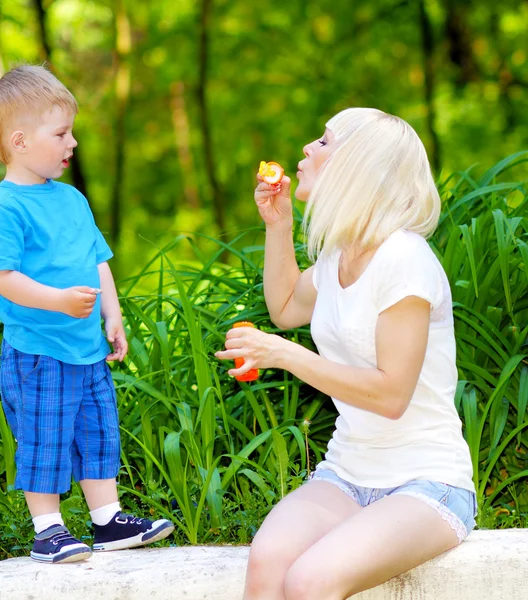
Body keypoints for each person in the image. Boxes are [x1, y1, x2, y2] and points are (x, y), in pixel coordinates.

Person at [215, 107, 476, 600]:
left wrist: (286, 356)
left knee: (310, 580)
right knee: (268, 561)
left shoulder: (402, 259)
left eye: (325, 141)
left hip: (427, 483)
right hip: (348, 474)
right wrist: (278, 224)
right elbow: (286, 306)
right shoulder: (340, 254)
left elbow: (391, 394)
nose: (309, 149)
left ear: (358, 167)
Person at [0, 65, 174, 564]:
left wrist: (113, 314)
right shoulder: (6, 210)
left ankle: (107, 519)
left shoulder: (71, 199)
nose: (74, 142)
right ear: (20, 141)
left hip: (86, 350)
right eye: (62, 133)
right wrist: (60, 301)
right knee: (44, 436)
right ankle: (48, 530)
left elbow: (97, 259)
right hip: (39, 351)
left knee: (97, 430)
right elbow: (3, 278)